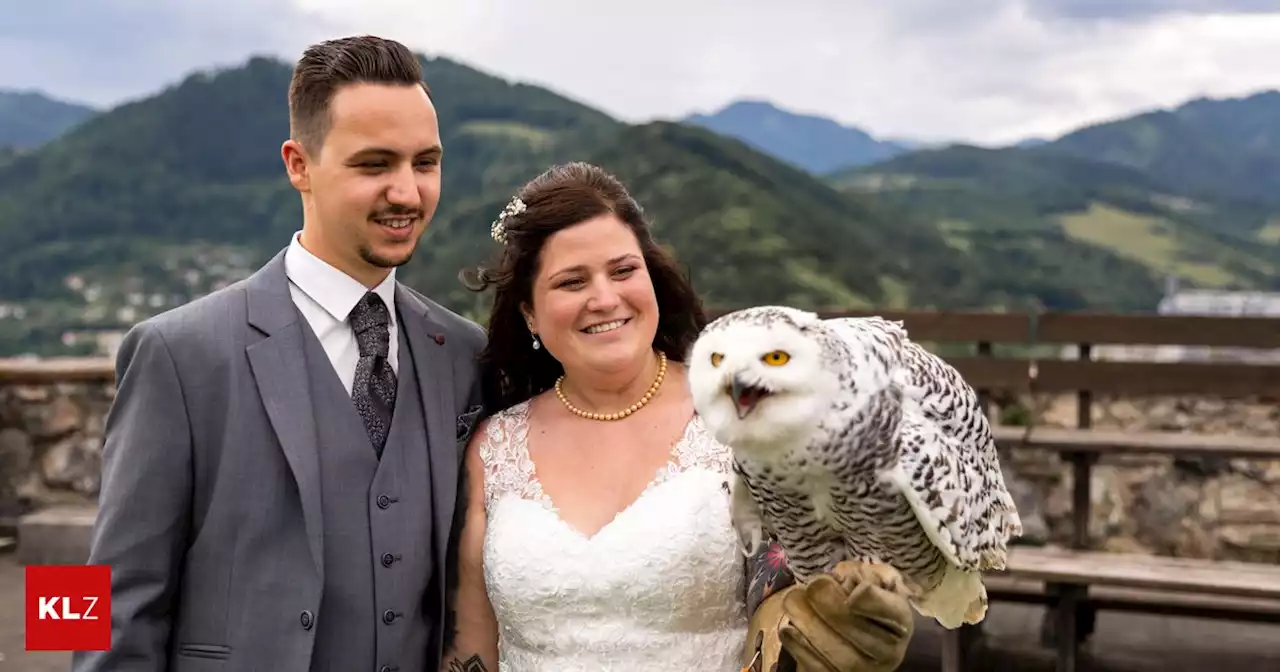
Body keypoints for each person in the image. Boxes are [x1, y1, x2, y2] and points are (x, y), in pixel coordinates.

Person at [72, 35, 486, 672]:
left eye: (425, 163)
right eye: (375, 165)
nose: (406, 192)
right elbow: (103, 600)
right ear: (299, 164)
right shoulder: (176, 353)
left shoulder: (463, 353)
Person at [443, 161, 916, 671]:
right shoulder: (493, 449)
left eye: (624, 270)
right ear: (529, 313)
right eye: (571, 282)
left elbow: (805, 601)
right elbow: (471, 651)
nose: (605, 299)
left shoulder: (744, 421)